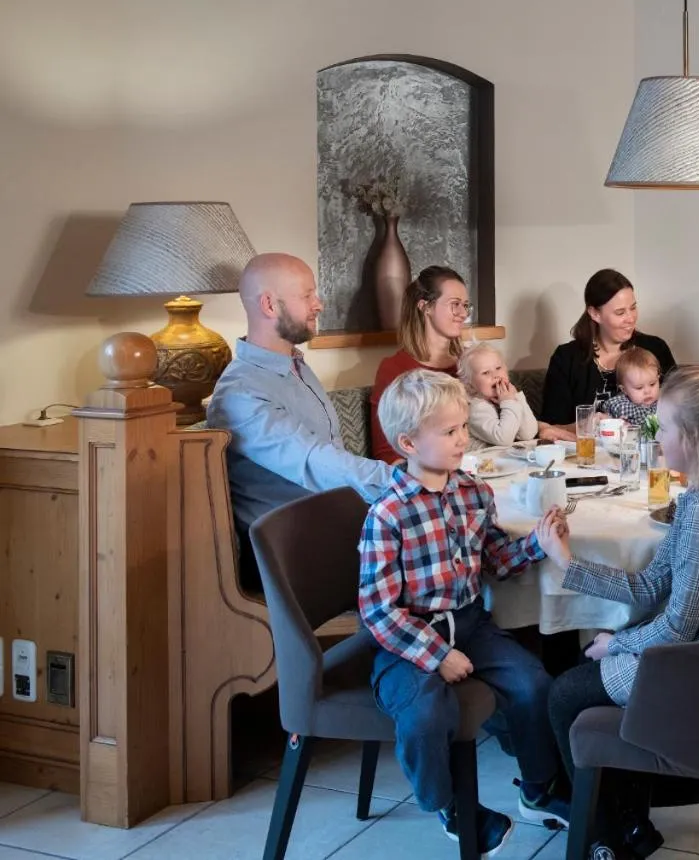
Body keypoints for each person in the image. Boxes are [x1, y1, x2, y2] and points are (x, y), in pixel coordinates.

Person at [542, 366, 699, 859]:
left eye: (664, 427)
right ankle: (631, 824)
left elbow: (676, 627)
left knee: (565, 694)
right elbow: (652, 587)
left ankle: (605, 836)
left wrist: (618, 644)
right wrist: (568, 563)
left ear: (692, 439)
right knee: (597, 661)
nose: (657, 434)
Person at [359, 370, 572, 854]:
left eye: (462, 428)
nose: (463, 440)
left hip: (471, 623)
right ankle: (450, 804)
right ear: (409, 443)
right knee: (426, 711)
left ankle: (539, 788)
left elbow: (495, 559)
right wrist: (436, 656)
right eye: (450, 432)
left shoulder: (474, 493)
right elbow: (378, 610)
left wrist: (537, 545)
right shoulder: (388, 514)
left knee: (533, 684)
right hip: (406, 642)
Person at [208, 252, 394, 546]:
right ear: (269, 305)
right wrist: (403, 480)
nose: (318, 304)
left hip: (335, 523)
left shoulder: (296, 367)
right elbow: (314, 462)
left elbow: (334, 457)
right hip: (292, 551)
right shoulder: (240, 393)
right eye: (307, 295)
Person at [541, 269, 676, 432]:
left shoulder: (655, 348)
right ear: (595, 314)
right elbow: (551, 426)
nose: (631, 318)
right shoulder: (567, 358)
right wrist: (590, 425)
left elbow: (681, 408)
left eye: (633, 308)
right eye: (620, 312)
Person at [369, 266, 470, 464]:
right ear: (425, 307)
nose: (463, 313)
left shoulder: (472, 362)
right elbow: (387, 453)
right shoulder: (395, 368)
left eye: (466, 305)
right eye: (454, 304)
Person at [459, 342, 540, 448]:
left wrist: (517, 399)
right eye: (486, 373)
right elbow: (503, 439)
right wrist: (509, 402)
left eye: (498, 368)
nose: (495, 375)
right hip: (482, 461)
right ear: (470, 383)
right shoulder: (476, 408)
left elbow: (528, 434)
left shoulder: (507, 400)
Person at [597, 346, 660, 427]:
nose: (647, 391)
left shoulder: (664, 404)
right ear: (624, 390)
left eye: (652, 384)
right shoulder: (620, 406)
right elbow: (605, 421)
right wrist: (613, 422)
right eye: (639, 387)